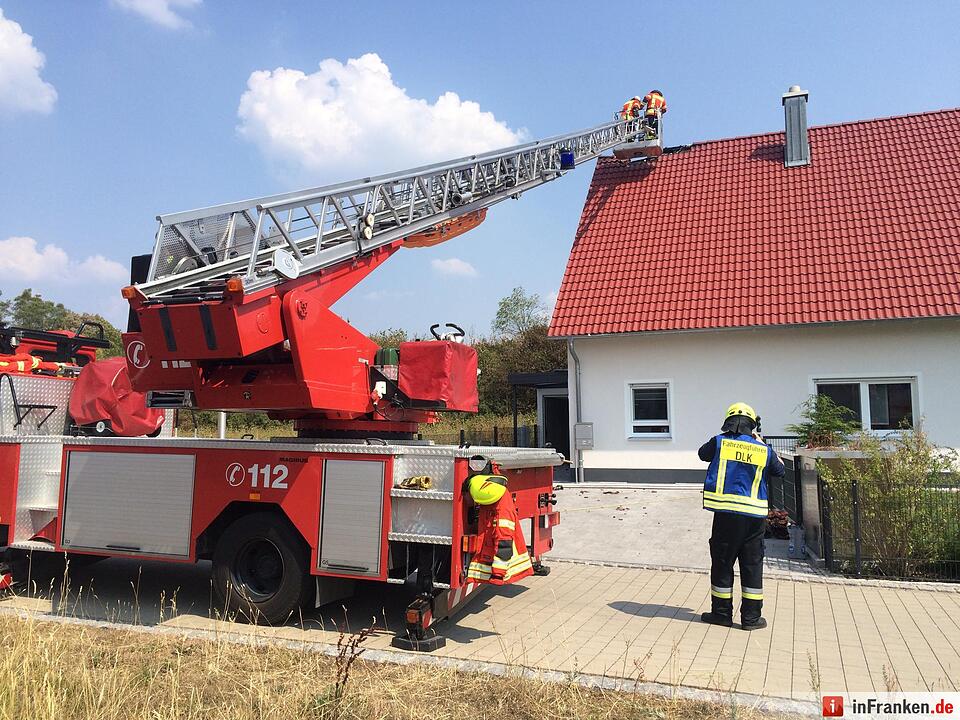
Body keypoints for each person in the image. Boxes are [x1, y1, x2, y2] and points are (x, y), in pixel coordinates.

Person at [698, 402, 784, 630]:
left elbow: (702, 454)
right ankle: (751, 619)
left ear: (728, 422)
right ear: (752, 425)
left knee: (723, 563)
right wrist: (758, 441)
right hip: (754, 519)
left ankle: (721, 614)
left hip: (726, 516)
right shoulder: (762, 449)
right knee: (752, 565)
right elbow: (780, 470)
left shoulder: (718, 442)